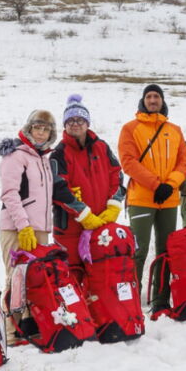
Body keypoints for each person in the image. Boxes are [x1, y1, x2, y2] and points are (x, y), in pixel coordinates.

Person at [0, 110, 103, 342]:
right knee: (14, 279)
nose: (41, 132)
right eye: (37, 127)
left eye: (46, 129)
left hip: (40, 229)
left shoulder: (43, 159)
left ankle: (30, 326)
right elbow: (9, 194)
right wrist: (23, 225)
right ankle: (11, 331)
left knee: (34, 280)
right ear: (29, 128)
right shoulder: (15, 156)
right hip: (17, 228)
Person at [118, 84, 186, 311]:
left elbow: (184, 162)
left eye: (156, 96)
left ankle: (160, 299)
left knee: (165, 250)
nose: (152, 100)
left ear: (162, 100)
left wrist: (170, 185)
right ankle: (131, 300)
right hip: (141, 198)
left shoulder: (175, 130)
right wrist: (155, 184)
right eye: (148, 96)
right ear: (143, 100)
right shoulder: (130, 128)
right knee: (138, 251)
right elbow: (128, 161)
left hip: (168, 199)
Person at [51, 94, 125, 281]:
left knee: (100, 274)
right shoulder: (59, 153)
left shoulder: (101, 147)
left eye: (80, 119)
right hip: (70, 229)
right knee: (72, 275)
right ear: (65, 125)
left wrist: (114, 205)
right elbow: (58, 188)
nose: (75, 124)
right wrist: (83, 214)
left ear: (87, 123)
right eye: (71, 120)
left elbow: (117, 174)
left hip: (101, 223)